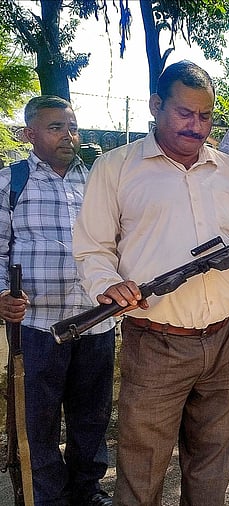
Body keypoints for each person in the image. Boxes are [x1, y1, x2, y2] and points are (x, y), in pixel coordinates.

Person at [73, 60, 229, 505]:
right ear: (156, 105)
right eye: (184, 113)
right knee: (142, 471)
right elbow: (92, 248)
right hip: (155, 341)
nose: (196, 127)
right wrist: (107, 283)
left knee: (214, 467)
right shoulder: (116, 167)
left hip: (225, 338)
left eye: (206, 116)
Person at [0, 96, 115, 506]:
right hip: (37, 326)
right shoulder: (10, 181)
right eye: (55, 128)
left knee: (92, 416)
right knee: (40, 419)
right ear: (30, 134)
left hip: (96, 319)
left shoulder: (99, 180)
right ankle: (49, 497)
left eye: (72, 126)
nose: (69, 136)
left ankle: (87, 491)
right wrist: (1, 295)